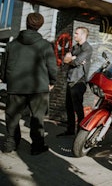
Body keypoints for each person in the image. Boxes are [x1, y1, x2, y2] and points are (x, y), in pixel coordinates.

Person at [1, 12, 57, 155]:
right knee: (37, 118)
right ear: (40, 25)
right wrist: (52, 81)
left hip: (16, 86)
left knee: (13, 116)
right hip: (38, 87)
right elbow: (52, 67)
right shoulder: (45, 46)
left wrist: (6, 80)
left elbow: (4, 65)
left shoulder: (12, 45)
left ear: (26, 23)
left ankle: (10, 143)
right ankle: (37, 146)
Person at [57, 26, 92, 136]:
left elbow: (76, 62)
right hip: (70, 79)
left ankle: (80, 133)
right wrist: (71, 59)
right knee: (69, 107)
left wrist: (72, 59)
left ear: (83, 35)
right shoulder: (75, 47)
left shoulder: (87, 48)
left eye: (77, 33)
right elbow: (65, 59)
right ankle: (70, 130)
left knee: (78, 108)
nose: (74, 35)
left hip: (79, 81)